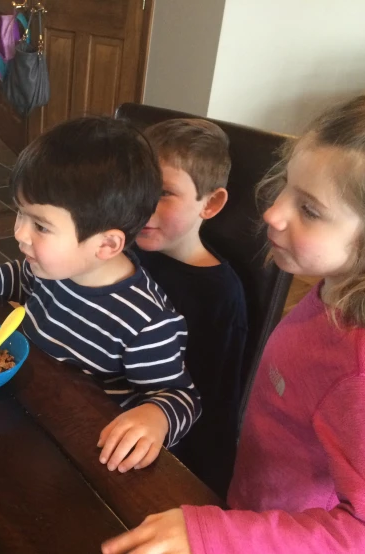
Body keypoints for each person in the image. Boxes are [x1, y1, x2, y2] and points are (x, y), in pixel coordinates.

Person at [102, 88, 365, 554]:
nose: (272, 213)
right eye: (285, 188)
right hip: (249, 508)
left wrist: (217, 534)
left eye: (310, 209)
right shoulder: (337, 286)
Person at [0, 116, 201, 471]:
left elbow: (182, 397)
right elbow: (22, 277)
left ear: (107, 244)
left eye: (40, 226)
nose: (19, 234)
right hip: (29, 408)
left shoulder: (146, 321)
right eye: (20, 214)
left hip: (84, 450)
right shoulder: (54, 267)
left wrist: (157, 416)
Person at [132, 118, 247, 497]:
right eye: (138, 187)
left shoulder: (218, 294)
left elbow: (215, 406)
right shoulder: (123, 250)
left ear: (210, 203)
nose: (143, 205)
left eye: (164, 192)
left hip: (163, 452)